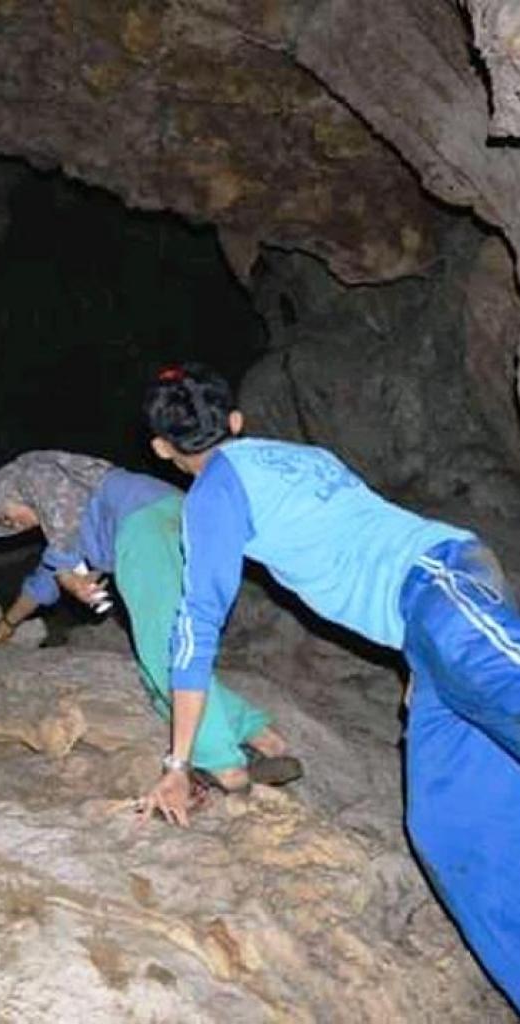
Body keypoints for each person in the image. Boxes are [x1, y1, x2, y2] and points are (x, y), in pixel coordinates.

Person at [142, 362, 519, 1007]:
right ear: (235, 420)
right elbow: (363, 536)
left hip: (440, 587)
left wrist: (178, 763)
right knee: (446, 824)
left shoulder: (213, 495)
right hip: (428, 625)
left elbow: (195, 626)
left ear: (161, 448)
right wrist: (416, 659)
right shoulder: (300, 456)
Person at [0, 450, 300, 793]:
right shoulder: (78, 514)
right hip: (183, 518)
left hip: (145, 528)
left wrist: (66, 574)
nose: (15, 528)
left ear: (15, 492)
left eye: (8, 518)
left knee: (164, 655)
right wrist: (8, 624)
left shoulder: (42, 479)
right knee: (173, 660)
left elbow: (56, 525)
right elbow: (42, 583)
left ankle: (225, 768)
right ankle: (263, 738)